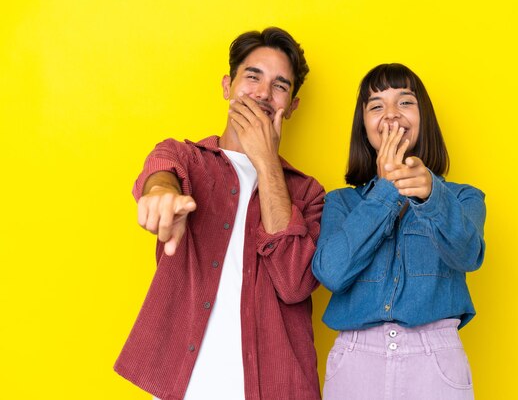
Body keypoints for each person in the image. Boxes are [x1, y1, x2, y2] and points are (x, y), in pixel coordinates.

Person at [114, 27, 324, 400]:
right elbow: (161, 171)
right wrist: (161, 193)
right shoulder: (186, 159)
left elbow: (294, 283)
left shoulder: (309, 193)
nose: (262, 94)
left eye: (280, 86)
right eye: (252, 77)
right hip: (184, 386)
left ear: (292, 106)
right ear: (228, 86)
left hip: (275, 387)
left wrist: (265, 161)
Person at [312, 63, 486, 400]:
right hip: (355, 361)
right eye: (376, 106)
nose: (391, 115)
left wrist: (432, 195)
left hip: (435, 363)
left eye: (405, 102)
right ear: (363, 128)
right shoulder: (342, 203)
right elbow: (330, 273)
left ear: (425, 120)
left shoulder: (462, 198)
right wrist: (386, 190)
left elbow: (467, 254)